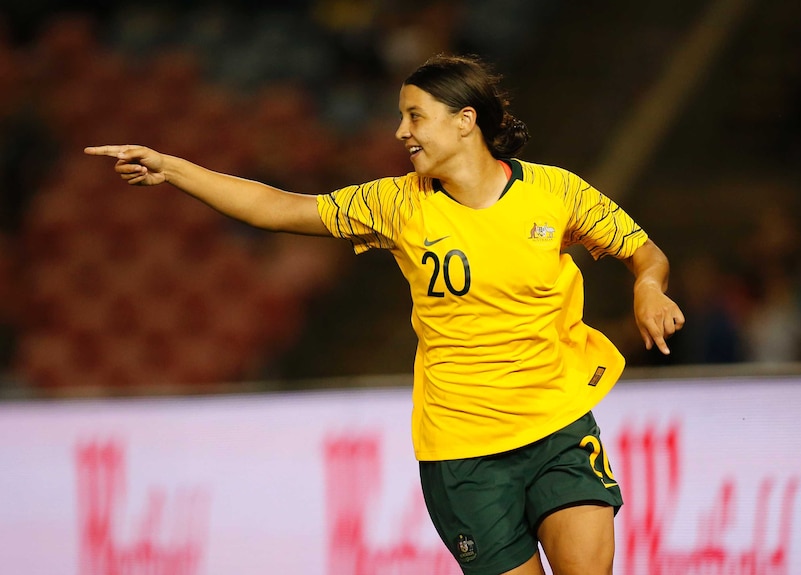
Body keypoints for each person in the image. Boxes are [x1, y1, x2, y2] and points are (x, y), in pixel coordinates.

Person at [86, 53, 684, 575]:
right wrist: (174, 169)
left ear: (464, 120)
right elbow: (280, 209)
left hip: (557, 425)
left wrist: (648, 289)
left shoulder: (555, 192)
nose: (401, 132)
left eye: (414, 116)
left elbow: (645, 253)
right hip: (462, 450)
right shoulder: (397, 204)